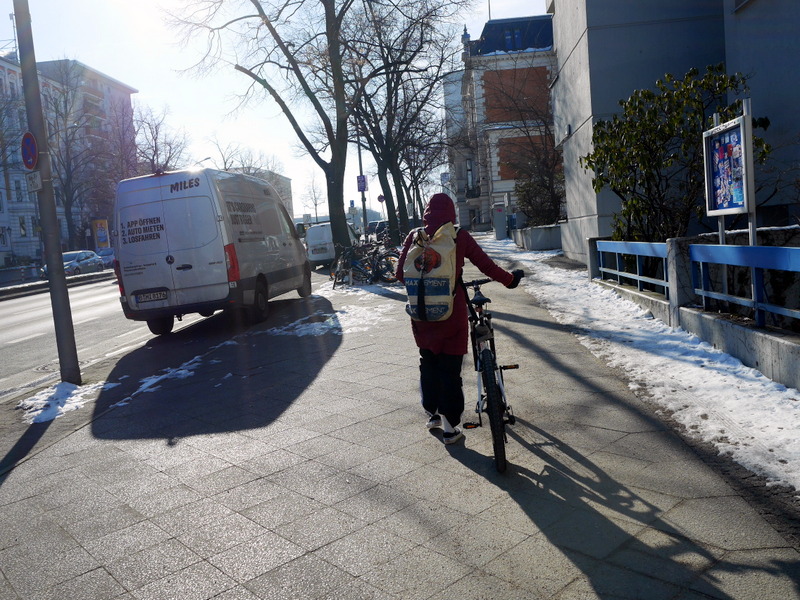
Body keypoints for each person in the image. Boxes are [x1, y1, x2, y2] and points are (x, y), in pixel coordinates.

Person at [396, 193, 523, 445]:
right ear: (452, 212)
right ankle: (450, 429)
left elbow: (400, 273)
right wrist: (510, 280)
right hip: (451, 313)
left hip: (421, 315)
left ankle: (431, 414)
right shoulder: (459, 236)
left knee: (428, 362)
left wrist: (426, 284)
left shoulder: (415, 236)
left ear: (427, 212)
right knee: (450, 370)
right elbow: (487, 266)